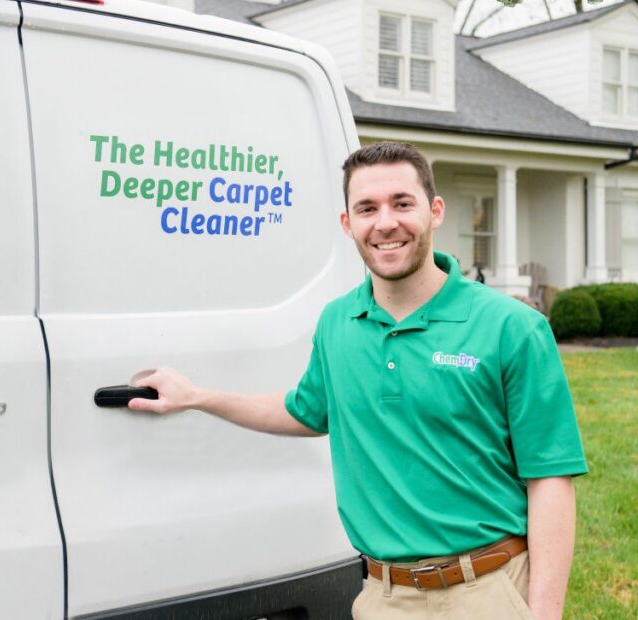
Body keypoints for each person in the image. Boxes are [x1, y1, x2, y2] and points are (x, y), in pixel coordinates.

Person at [127, 142, 587, 620]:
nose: (385, 223)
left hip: (488, 590)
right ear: (348, 223)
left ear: (434, 211)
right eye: (367, 208)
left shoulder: (512, 327)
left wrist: (543, 613)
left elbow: (550, 477)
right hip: (383, 597)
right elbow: (305, 410)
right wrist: (198, 397)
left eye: (402, 203)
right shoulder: (337, 323)